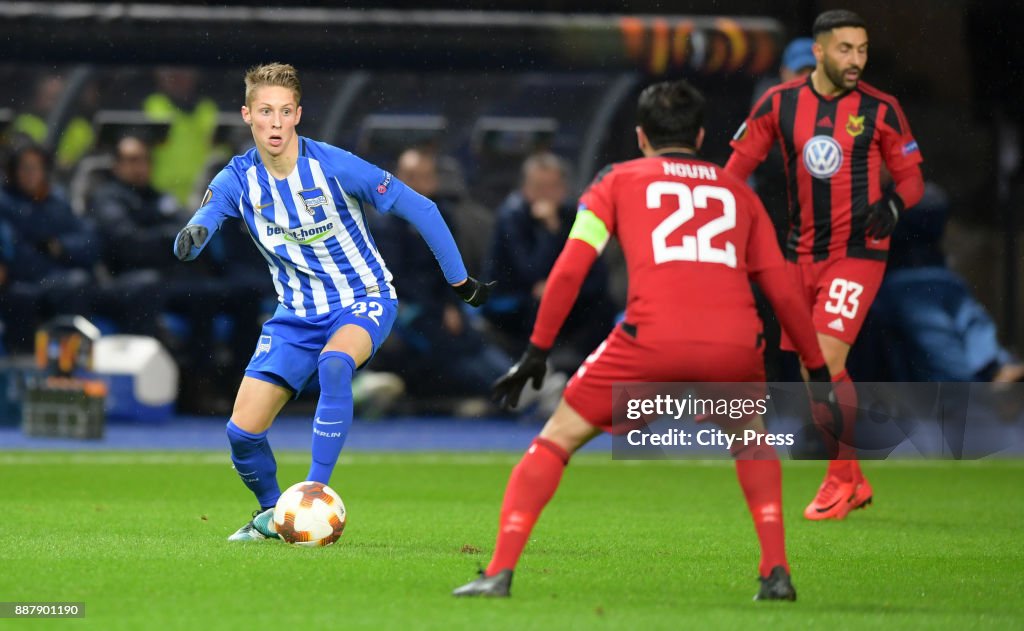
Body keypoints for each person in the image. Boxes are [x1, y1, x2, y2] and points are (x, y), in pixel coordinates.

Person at [453, 80, 834, 601]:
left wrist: (537, 351)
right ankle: (776, 573)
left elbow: (570, 268)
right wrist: (817, 368)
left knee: (556, 437)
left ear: (640, 135)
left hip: (650, 338)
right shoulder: (738, 191)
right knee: (751, 438)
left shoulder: (617, 180)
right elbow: (783, 289)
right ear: (700, 135)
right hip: (734, 342)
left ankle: (498, 572)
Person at [172, 63, 492, 541]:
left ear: (298, 114)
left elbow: (422, 208)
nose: (275, 122)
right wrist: (191, 238)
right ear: (247, 116)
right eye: (265, 112)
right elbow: (204, 219)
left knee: (336, 363)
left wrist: (460, 281)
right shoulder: (238, 179)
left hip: (363, 299)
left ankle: (313, 495)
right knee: (241, 434)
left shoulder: (335, 166)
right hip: (295, 316)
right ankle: (274, 517)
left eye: (284, 111)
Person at [725, 9, 925, 521]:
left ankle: (837, 481)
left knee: (828, 359)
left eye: (862, 49)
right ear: (818, 51)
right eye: (845, 50)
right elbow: (734, 175)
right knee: (813, 370)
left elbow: (911, 180)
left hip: (859, 251)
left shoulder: (882, 108)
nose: (856, 60)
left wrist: (895, 205)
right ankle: (853, 478)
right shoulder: (778, 103)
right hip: (797, 255)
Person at [370, 147, 513, 409]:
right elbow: (396, 278)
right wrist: (439, 310)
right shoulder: (384, 223)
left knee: (473, 337)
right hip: (407, 308)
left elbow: (453, 266)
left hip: (443, 305)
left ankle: (517, 383)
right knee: (444, 342)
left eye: (423, 176)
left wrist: (450, 304)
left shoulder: (441, 216)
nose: (415, 183)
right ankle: (506, 393)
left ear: (434, 181)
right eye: (409, 175)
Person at [484, 152, 615, 373]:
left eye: (552, 186)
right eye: (538, 187)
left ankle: (591, 366)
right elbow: (530, 272)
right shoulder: (512, 217)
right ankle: (538, 364)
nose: (546, 194)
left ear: (563, 188)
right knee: (541, 300)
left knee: (604, 304)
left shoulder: (575, 216)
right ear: (525, 189)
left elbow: (598, 273)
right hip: (515, 298)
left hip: (563, 294)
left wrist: (567, 287)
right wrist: (549, 231)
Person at [0, 144, 98, 352]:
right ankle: (23, 369)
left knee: (79, 283)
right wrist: (53, 261)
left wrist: (59, 246)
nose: (32, 174)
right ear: (12, 171)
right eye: (25, 168)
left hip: (62, 278)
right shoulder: (5, 203)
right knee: (22, 297)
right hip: (25, 283)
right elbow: (16, 256)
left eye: (37, 168)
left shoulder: (57, 201)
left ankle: (74, 363)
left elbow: (90, 244)